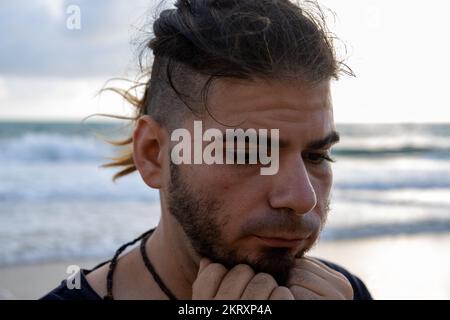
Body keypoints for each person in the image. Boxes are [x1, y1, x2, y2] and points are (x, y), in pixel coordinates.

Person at [42, 0, 372, 300]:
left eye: (316, 156)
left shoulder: (342, 293)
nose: (303, 199)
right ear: (154, 153)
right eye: (250, 153)